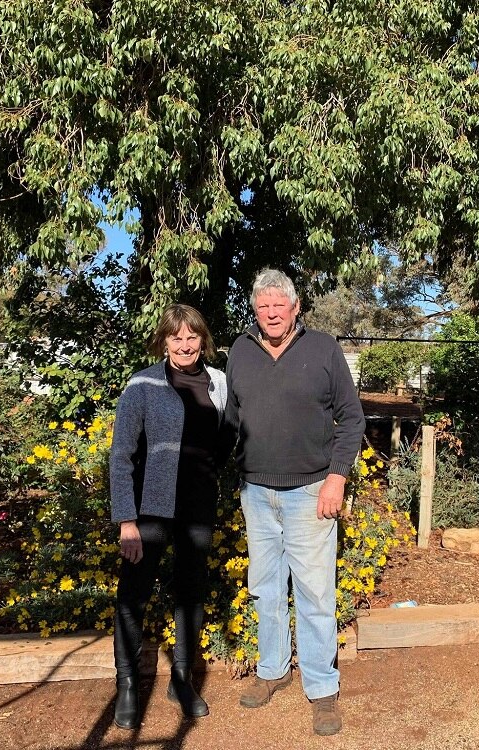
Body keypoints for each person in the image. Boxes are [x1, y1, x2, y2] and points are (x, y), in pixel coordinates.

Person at [225, 269, 365, 737]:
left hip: (311, 492)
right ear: (256, 309)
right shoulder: (241, 351)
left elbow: (351, 418)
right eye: (263, 306)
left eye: (278, 306)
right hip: (257, 492)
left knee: (314, 592)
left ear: (295, 306)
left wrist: (336, 478)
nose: (270, 314)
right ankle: (273, 670)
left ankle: (323, 689)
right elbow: (232, 419)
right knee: (265, 587)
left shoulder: (323, 349)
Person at [108, 304, 233, 729]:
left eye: (192, 336)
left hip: (197, 507)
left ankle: (181, 678)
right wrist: (126, 519)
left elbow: (226, 439)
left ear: (203, 339)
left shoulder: (218, 382)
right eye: (176, 337)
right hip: (149, 509)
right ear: (164, 341)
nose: (184, 344)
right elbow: (121, 454)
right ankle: (126, 683)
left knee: (190, 594)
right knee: (134, 595)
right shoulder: (142, 383)